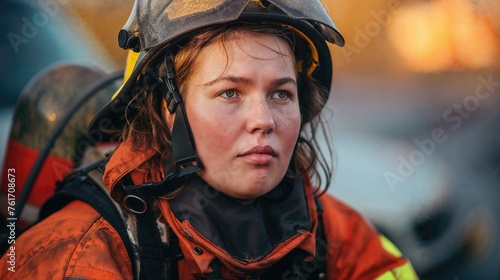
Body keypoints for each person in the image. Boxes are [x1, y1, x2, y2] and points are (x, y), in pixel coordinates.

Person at [1, 0, 419, 279]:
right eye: (229, 93)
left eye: (281, 93)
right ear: (167, 110)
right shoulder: (76, 254)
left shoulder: (339, 234)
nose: (264, 121)